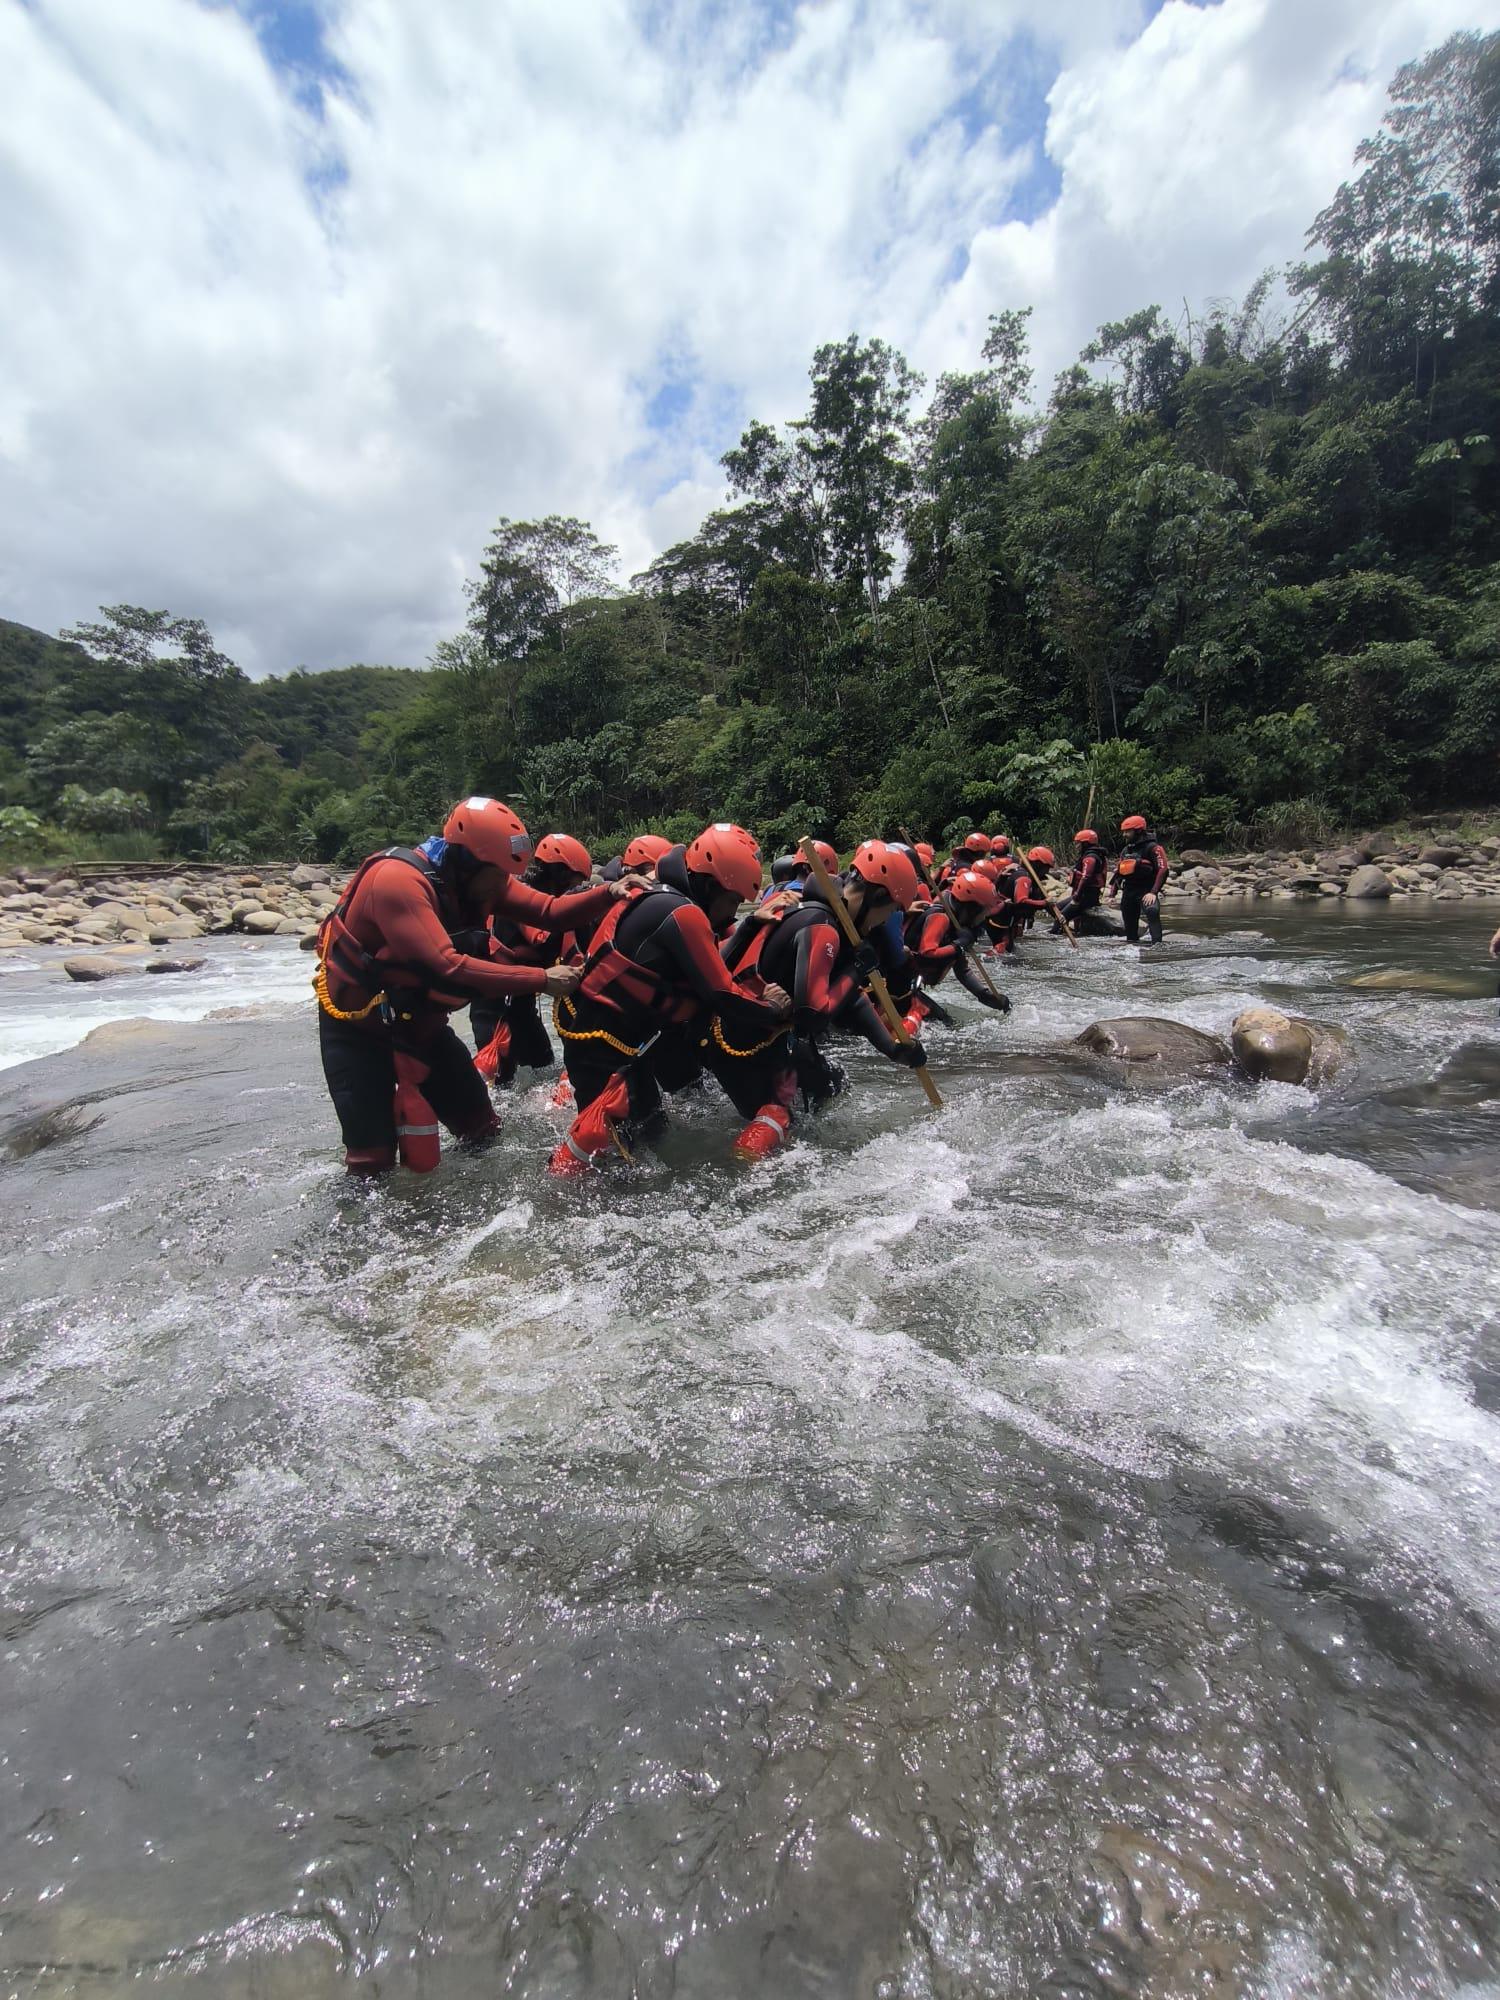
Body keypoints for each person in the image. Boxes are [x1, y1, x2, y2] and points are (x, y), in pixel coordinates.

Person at [314, 797, 627, 1174]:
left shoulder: (482, 881)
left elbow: (550, 912)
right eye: (497, 875)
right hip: (359, 1035)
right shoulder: (397, 882)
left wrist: (610, 893)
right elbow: (446, 967)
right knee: (372, 1163)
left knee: (483, 1131)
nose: (504, 885)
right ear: (466, 862)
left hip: (421, 1028)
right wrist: (542, 980)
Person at [547, 824, 793, 1174]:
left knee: (653, 1133)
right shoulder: (681, 913)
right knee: (617, 1163)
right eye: (733, 900)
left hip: (617, 1048)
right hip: (602, 1051)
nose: (731, 911)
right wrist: (772, 1009)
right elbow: (721, 994)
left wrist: (750, 924)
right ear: (710, 885)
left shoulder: (670, 903)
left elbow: (707, 968)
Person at [721, 840, 930, 1124]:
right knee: (784, 1125)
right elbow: (813, 1016)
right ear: (878, 895)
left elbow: (851, 999)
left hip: (771, 1037)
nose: (885, 921)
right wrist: (857, 970)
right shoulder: (822, 926)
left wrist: (892, 1049)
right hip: (739, 1045)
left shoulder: (837, 924)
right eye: (892, 909)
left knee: (831, 1085)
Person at [471, 831, 594, 1087]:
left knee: (544, 1066)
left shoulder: (542, 899)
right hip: (494, 1012)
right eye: (574, 882)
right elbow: (544, 938)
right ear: (558, 873)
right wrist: (580, 905)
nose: (575, 889)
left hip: (522, 1008)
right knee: (501, 1085)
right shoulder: (520, 899)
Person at [903, 869, 1011, 1031]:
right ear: (971, 908)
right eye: (983, 911)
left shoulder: (958, 926)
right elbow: (928, 952)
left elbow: (963, 971)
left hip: (908, 986)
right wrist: (958, 945)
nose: (985, 916)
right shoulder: (941, 917)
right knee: (944, 1024)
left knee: (946, 1023)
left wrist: (984, 995)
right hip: (896, 984)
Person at [1108, 815, 1171, 945]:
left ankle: (1157, 947)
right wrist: (1112, 894)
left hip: (1146, 891)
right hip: (1129, 892)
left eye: (1128, 831)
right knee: (1130, 927)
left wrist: (1153, 892)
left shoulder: (1153, 848)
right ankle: (1132, 947)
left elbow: (1163, 869)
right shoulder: (1126, 850)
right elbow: (1118, 872)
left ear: (1138, 831)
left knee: (1152, 911)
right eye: (1124, 832)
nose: (1124, 835)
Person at [1055, 828, 1110, 936]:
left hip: (1086, 897)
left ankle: (1054, 935)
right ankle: (1067, 930)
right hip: (1085, 895)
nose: (1076, 846)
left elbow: (1086, 877)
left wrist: (1076, 897)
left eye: (1079, 844)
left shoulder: (1090, 858)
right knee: (1056, 908)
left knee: (1059, 919)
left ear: (1086, 844)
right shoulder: (1090, 855)